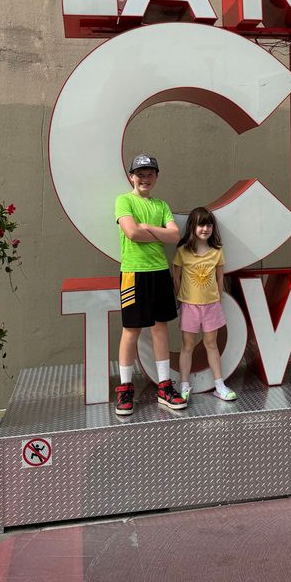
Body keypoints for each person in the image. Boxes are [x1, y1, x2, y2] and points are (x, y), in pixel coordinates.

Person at [114, 154, 186, 415]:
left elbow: (175, 235)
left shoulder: (162, 205)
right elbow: (131, 232)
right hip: (134, 273)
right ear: (131, 176)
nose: (145, 178)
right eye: (140, 174)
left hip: (159, 272)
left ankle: (165, 386)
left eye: (150, 174)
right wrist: (156, 231)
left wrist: (147, 227)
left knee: (160, 329)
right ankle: (125, 389)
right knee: (131, 329)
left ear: (156, 176)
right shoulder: (124, 200)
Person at [172, 207, 237, 402]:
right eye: (201, 224)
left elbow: (220, 277)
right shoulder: (182, 251)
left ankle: (219, 385)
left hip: (211, 306)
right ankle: (184, 385)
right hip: (189, 306)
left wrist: (216, 297)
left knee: (211, 344)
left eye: (209, 224)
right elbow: (176, 276)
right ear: (192, 226)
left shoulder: (217, 252)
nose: (205, 228)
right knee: (188, 345)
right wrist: (180, 297)